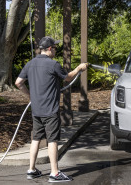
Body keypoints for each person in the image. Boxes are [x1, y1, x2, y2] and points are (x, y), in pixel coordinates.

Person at [15, 36, 88, 182]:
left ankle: (32, 169)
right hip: (50, 110)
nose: (55, 49)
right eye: (54, 47)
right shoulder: (53, 64)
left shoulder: (30, 64)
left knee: (36, 139)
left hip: (36, 110)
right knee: (52, 140)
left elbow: (18, 83)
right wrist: (79, 68)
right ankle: (54, 173)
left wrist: (30, 96)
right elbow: (68, 77)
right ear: (49, 49)